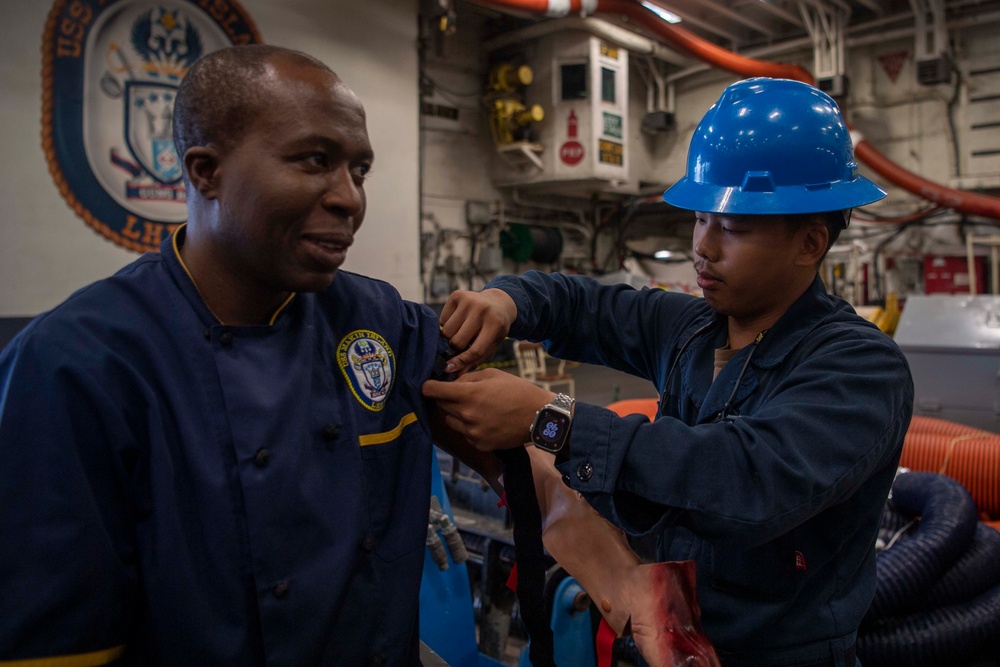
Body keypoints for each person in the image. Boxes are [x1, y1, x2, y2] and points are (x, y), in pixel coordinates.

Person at [424, 78, 914, 666]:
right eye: (701, 219)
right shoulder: (691, 328)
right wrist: (508, 300)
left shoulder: (860, 368)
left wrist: (548, 420)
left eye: (731, 228)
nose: (702, 247)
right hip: (664, 639)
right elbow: (582, 305)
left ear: (810, 242)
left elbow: (743, 480)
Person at [0, 45, 444, 665]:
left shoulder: (374, 319)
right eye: (316, 160)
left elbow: (506, 416)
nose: (351, 199)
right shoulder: (77, 365)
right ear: (206, 171)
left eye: (359, 170)